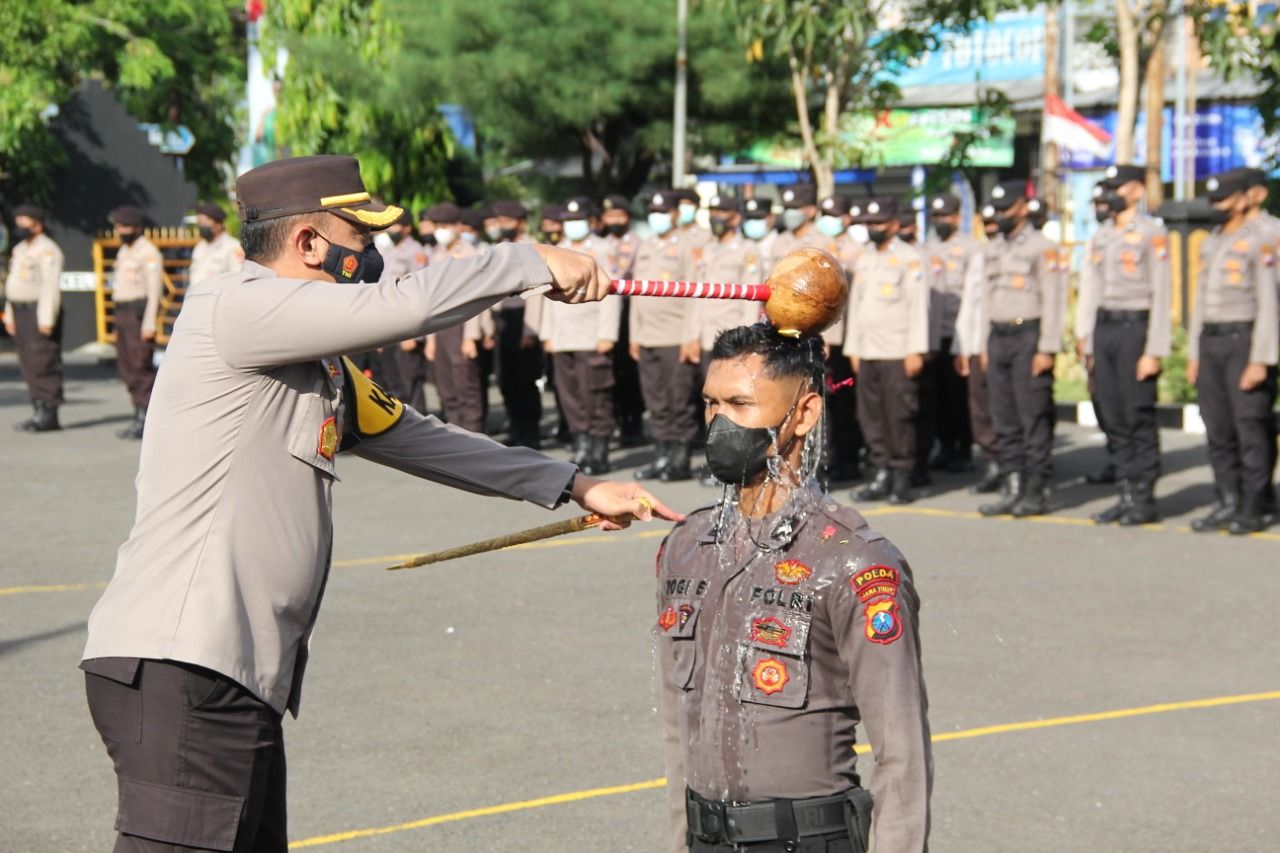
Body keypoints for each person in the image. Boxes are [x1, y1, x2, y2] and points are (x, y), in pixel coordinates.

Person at [80, 154, 680, 853]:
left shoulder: (316, 360)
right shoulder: (234, 305)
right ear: (308, 243)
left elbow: (417, 434)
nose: (375, 257)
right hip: (184, 666)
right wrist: (531, 259)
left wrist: (573, 483)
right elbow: (410, 305)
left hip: (232, 673)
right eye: (361, 239)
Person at [658, 322, 931, 853]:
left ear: (803, 413)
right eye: (711, 404)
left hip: (806, 841)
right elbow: (676, 728)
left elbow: (902, 753)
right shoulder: (688, 547)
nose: (719, 423)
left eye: (741, 404)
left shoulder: (853, 561)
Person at [1075, 165, 1172, 525]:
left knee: (1137, 415)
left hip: (1136, 329)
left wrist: (1154, 350)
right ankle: (1125, 492)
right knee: (1112, 413)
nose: (1112, 193)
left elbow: (1162, 294)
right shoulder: (1101, 235)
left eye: (1118, 187)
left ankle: (1143, 498)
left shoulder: (1152, 233)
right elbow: (1091, 287)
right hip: (1106, 329)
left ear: (1136, 190)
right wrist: (1084, 334)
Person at [1186, 169, 1279, 534]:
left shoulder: (1262, 239)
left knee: (1249, 425)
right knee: (1218, 427)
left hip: (1245, 341)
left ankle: (1255, 504)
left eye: (1223, 199)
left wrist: (1261, 358)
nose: (1216, 207)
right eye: (1213, 201)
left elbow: (1269, 304)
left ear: (1244, 199)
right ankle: (1227, 500)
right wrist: (1194, 351)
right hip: (1212, 341)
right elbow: (1199, 302)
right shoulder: (1211, 241)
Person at [977, 181, 1068, 518]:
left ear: (1022, 208)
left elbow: (1054, 299)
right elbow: (986, 298)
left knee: (1033, 414)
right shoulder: (993, 248)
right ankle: (1012, 484)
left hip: (1028, 334)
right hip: (998, 336)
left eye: (1006, 209)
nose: (1001, 215)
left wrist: (1047, 347)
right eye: (997, 210)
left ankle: (1036, 487)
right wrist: (984, 342)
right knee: (1004, 415)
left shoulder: (1043, 248)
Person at [844, 198, 930, 505]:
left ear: (894, 225)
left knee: (899, 415)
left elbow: (919, 306)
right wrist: (852, 347)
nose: (873, 229)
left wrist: (916, 350)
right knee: (871, 416)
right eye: (869, 224)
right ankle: (881, 471)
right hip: (868, 351)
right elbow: (855, 306)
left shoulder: (910, 258)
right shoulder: (864, 258)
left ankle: (901, 475)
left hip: (897, 350)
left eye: (878, 223)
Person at [540, 196, 622, 474]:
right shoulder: (556, 250)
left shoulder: (602, 249)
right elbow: (546, 295)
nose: (572, 225)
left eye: (577, 220)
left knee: (595, 394)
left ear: (589, 222)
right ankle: (581, 444)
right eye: (568, 221)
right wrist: (546, 333)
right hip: (563, 335)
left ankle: (599, 450)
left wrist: (607, 333)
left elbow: (611, 295)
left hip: (591, 334)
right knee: (570, 394)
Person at [631, 190, 701, 481]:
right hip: (647, 336)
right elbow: (636, 293)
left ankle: (679, 458)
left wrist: (691, 336)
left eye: (663, 211)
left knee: (678, 399)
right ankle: (662, 455)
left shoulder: (688, 246)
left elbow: (697, 295)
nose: (657, 216)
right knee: (655, 400)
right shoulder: (646, 245)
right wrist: (634, 334)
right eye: (654, 211)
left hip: (675, 335)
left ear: (675, 214)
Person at [925, 195, 983, 474]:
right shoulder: (928, 248)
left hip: (960, 333)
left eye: (945, 217)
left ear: (958, 218)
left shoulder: (972, 249)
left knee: (961, 396)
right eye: (936, 217)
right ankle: (945, 446)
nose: (940, 222)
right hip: (935, 333)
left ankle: (964, 448)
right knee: (938, 397)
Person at [487, 200, 545, 448]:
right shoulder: (499, 248)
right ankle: (516, 427)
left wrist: (529, 330)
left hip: (523, 318)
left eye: (508, 221)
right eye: (501, 221)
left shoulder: (531, 248)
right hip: (503, 319)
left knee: (525, 380)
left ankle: (531, 432)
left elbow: (538, 290)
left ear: (521, 223)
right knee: (506, 379)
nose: (503, 226)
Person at [5, 204, 65, 432]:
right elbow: (13, 285)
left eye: (24, 220)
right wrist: (9, 315)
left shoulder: (48, 250)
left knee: (43, 360)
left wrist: (46, 319)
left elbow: (50, 287)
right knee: (28, 362)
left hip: (37, 312)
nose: (19, 225)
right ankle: (37, 408)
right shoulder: (20, 249)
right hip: (20, 312)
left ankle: (50, 411)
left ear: (37, 223)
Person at [108, 206, 164, 440]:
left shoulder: (148, 252)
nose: (121, 230)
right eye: (119, 226)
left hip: (138, 315)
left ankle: (145, 417)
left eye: (125, 226)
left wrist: (149, 324)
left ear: (138, 227)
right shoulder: (125, 251)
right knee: (127, 366)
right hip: (123, 313)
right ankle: (137, 412)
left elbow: (154, 291)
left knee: (140, 365)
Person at [601, 193, 646, 448]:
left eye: (618, 215)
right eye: (609, 215)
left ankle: (634, 424)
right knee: (611, 371)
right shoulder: (601, 244)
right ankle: (617, 420)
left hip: (630, 306)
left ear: (627, 217)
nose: (613, 220)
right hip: (606, 307)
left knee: (630, 371)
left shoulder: (640, 243)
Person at [374, 211, 430, 411]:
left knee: (411, 383)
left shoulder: (416, 252)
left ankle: (419, 432)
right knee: (393, 383)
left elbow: (421, 292)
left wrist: (413, 333)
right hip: (389, 326)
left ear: (407, 228)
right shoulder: (386, 250)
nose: (390, 231)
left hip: (406, 326)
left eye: (395, 227)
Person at [188, 202, 244, 286]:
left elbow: (239, 279)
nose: (202, 227)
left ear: (219, 225)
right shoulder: (199, 247)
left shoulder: (233, 247)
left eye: (205, 223)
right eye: (200, 223)